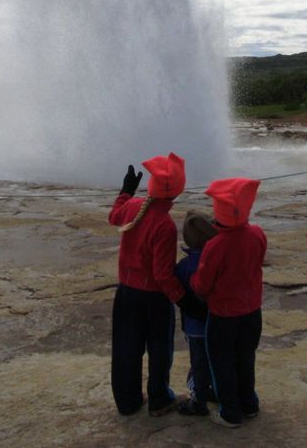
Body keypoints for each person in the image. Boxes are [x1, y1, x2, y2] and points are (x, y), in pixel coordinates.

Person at [108, 152, 201, 417]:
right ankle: (159, 399)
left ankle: (127, 401)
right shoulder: (165, 225)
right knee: (160, 349)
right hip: (154, 299)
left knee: (126, 348)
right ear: (176, 192)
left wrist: (125, 192)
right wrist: (186, 301)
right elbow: (162, 275)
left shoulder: (133, 206)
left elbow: (113, 216)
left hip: (126, 294)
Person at [190, 177, 267, 428]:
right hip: (252, 312)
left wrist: (191, 281)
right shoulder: (257, 234)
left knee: (222, 363)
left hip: (223, 317)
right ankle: (250, 404)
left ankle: (230, 413)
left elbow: (202, 284)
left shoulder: (215, 245)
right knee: (246, 359)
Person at [174, 211, 218, 416]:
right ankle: (217, 392)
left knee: (198, 365)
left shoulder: (183, 266)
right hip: (218, 322)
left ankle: (198, 400)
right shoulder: (217, 260)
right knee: (218, 360)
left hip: (193, 327)